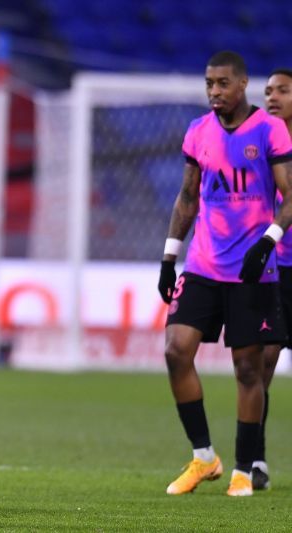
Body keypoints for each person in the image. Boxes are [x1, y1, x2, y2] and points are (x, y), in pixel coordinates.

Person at [157, 51, 292, 497]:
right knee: (177, 350)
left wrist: (269, 240)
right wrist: (169, 257)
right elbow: (187, 197)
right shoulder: (198, 132)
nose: (214, 92)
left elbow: (290, 195)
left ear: (242, 85)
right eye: (209, 84)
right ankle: (203, 458)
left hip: (252, 269)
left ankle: (243, 468)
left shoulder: (269, 130)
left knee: (248, 369)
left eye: (222, 84)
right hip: (203, 264)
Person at [256, 67, 292, 490]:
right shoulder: (258, 145)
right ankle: (255, 459)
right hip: (273, 271)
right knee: (261, 363)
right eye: (267, 91)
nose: (272, 96)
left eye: (282, 89)